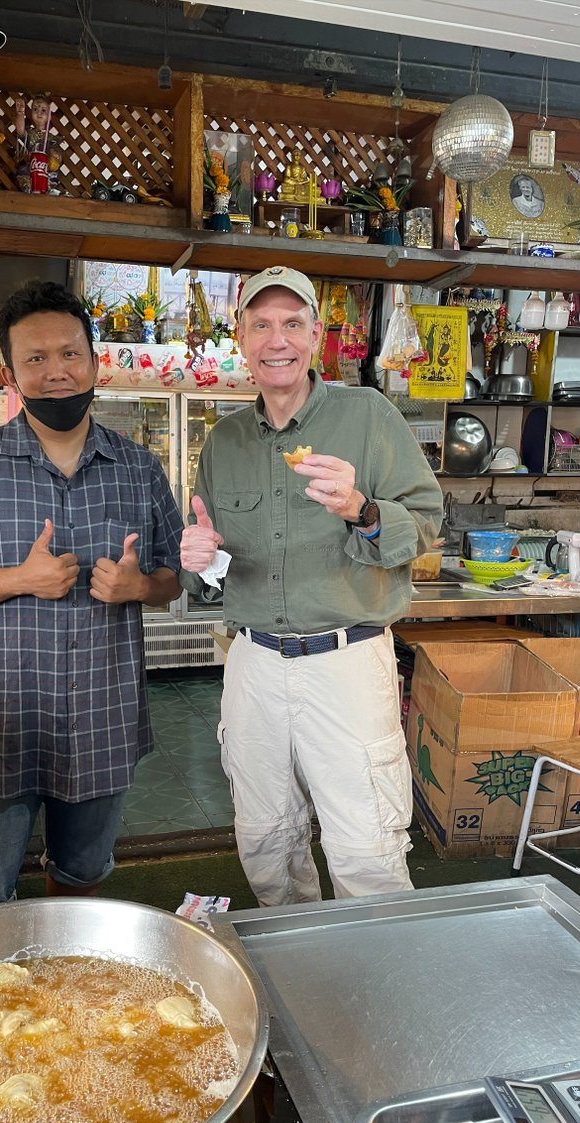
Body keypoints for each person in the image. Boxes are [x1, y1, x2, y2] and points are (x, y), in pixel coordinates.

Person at [0, 281, 183, 913]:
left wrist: (140, 586)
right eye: (36, 358)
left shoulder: (138, 468)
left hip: (101, 716)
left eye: (69, 354)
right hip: (2, 721)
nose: (56, 372)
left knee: (82, 881)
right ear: (11, 371)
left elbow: (172, 580)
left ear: (94, 362)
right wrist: (19, 579)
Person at [179, 266, 443, 906]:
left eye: (293, 324)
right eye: (262, 324)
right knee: (267, 841)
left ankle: (380, 993)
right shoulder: (225, 440)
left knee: (367, 850)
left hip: (347, 662)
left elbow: (429, 525)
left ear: (317, 336)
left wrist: (362, 509)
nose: (278, 340)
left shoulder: (369, 416)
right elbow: (220, 565)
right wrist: (202, 557)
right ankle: (300, 980)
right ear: (240, 338)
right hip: (252, 664)